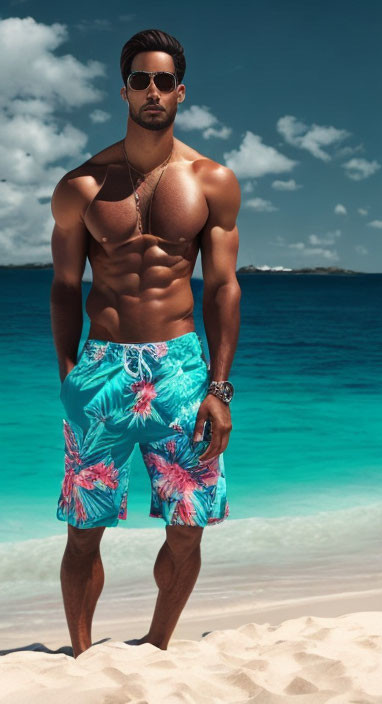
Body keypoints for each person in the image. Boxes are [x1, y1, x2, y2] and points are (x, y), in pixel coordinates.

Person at [50, 29, 241, 657]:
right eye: (140, 79)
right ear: (124, 89)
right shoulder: (81, 186)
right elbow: (62, 288)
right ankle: (80, 653)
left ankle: (157, 646)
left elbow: (222, 290)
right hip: (102, 369)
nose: (153, 91)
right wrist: (70, 372)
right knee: (84, 530)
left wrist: (218, 387)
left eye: (164, 81)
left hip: (180, 368)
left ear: (181, 91)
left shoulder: (212, 181)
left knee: (188, 527)